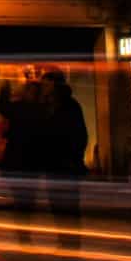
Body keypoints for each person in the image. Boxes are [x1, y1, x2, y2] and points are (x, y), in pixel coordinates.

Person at [38, 69, 88, 249]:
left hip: (65, 165)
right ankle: (66, 242)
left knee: (67, 206)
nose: (43, 87)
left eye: (46, 84)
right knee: (59, 206)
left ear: (54, 85)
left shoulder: (68, 107)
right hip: (56, 164)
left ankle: (71, 243)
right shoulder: (52, 106)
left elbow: (79, 137)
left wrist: (72, 157)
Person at [0, 77, 44, 243]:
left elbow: (3, 107)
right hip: (27, 162)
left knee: (24, 201)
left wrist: (5, 87)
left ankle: (24, 235)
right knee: (25, 200)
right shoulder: (39, 110)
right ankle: (24, 235)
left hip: (22, 161)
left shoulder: (23, 108)